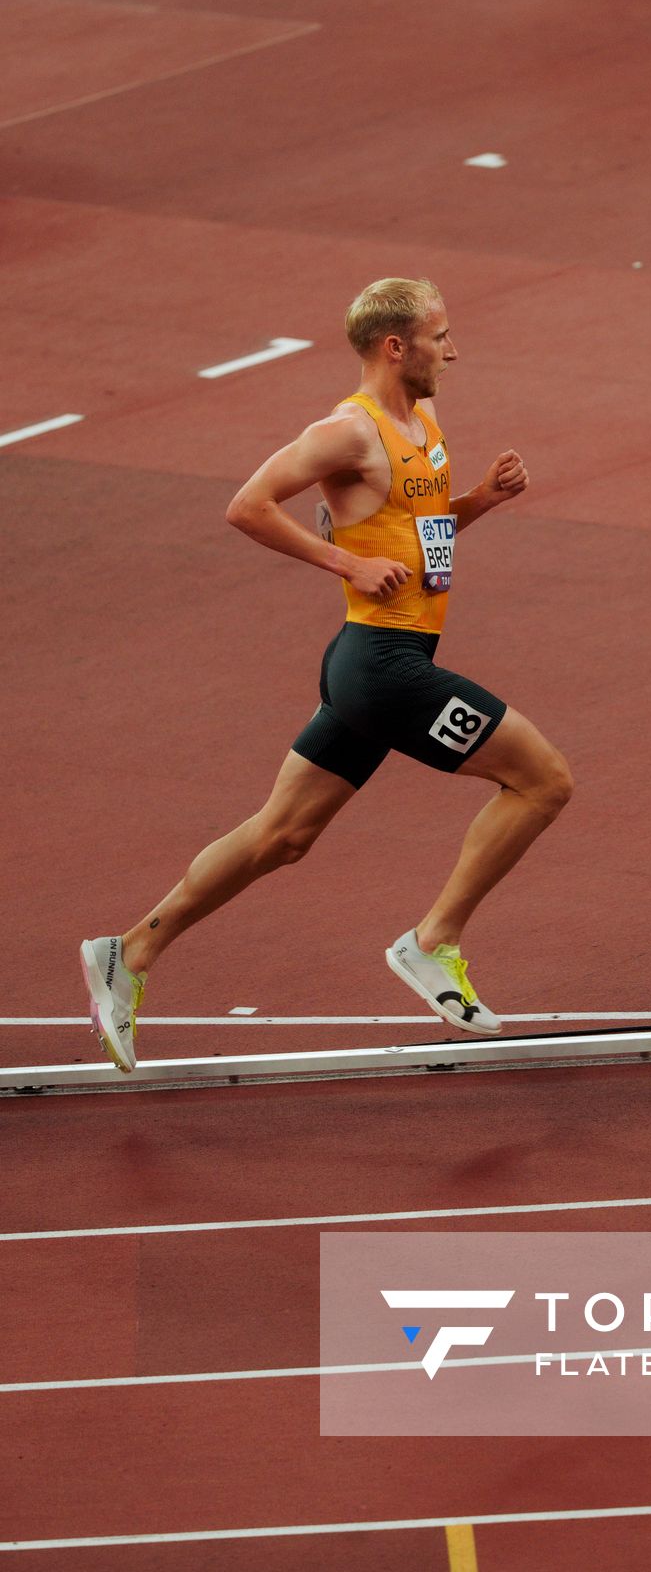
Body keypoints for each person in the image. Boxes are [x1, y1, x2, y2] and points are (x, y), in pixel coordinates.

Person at [81, 277, 572, 1072]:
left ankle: (128, 952)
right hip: (381, 666)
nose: (453, 350)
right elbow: (248, 505)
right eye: (440, 336)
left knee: (283, 835)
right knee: (543, 781)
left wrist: (481, 499)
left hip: (380, 666)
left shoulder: (422, 423)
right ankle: (432, 942)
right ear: (396, 347)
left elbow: (420, 536)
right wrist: (346, 563)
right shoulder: (348, 432)